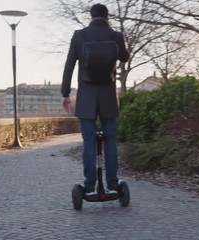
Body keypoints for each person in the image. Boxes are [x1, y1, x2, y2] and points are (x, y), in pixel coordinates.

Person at [61, 3, 130, 195]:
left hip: (86, 98)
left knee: (88, 142)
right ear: (107, 17)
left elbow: (69, 66)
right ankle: (113, 184)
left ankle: (90, 185)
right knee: (110, 141)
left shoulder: (79, 35)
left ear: (90, 16)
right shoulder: (115, 36)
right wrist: (119, 41)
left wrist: (65, 94)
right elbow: (124, 58)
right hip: (108, 97)